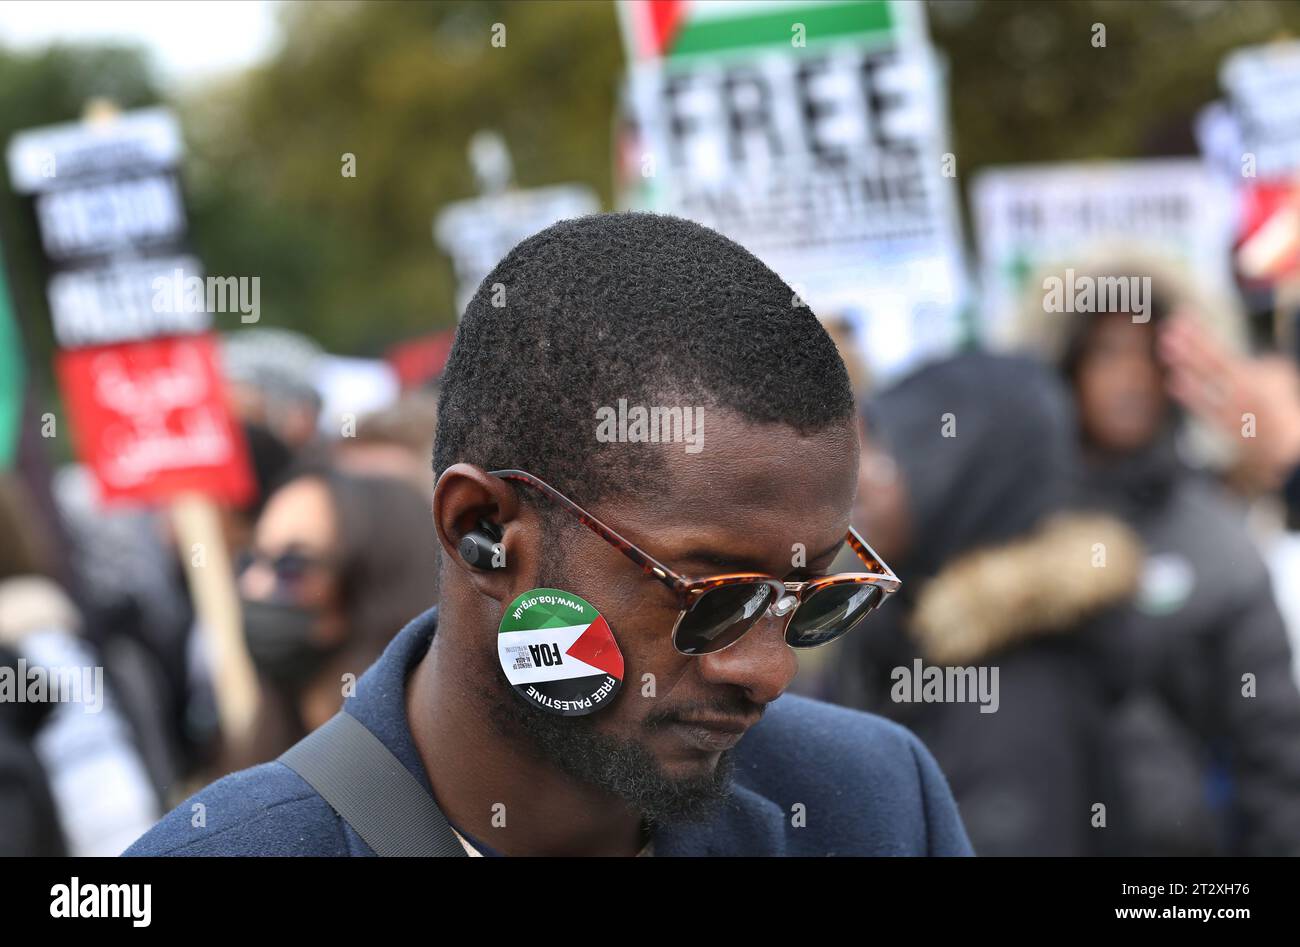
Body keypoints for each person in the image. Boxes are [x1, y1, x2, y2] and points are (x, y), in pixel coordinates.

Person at [125, 212, 972, 857]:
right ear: (481, 530)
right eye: (711, 596)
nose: (770, 668)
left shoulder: (873, 802)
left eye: (811, 598)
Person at [829, 352, 1143, 855]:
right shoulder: (898, 628)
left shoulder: (1014, 703)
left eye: (887, 455)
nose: (858, 482)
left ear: (967, 482)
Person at [1043, 266, 1300, 855]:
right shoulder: (1022, 527)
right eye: (1106, 353)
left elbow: (1276, 748)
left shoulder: (1216, 538)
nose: (1129, 379)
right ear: (1068, 368)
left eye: (1147, 357)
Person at [225, 467, 441, 768]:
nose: (253, 585)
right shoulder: (262, 756)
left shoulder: (429, 774)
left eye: (292, 565)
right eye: (251, 559)